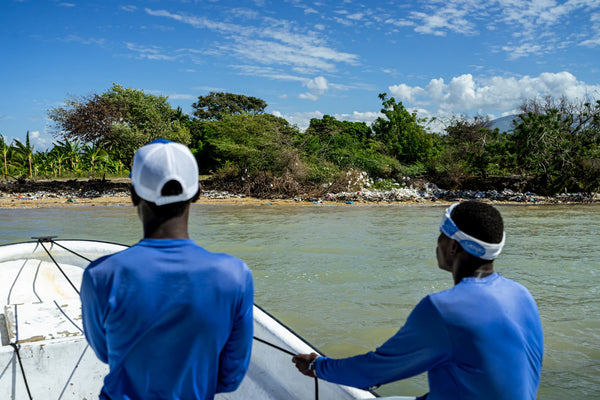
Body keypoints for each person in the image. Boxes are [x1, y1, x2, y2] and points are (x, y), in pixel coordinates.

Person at [293, 201, 543, 400]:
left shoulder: (444, 309)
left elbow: (373, 372)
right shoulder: (522, 295)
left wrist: (318, 367)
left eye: (440, 235)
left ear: (454, 247)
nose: (437, 244)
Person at [80, 139, 254, 400]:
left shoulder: (101, 275)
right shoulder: (234, 276)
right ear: (197, 193)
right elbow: (230, 378)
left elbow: (105, 353)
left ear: (134, 195)